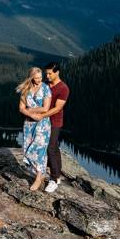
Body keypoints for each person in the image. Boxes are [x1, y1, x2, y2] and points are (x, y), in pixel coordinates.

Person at [15, 66, 53, 192]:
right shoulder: (26, 89)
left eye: (40, 77)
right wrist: (31, 114)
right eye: (36, 78)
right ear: (31, 78)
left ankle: (38, 177)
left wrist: (29, 109)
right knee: (27, 150)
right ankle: (40, 173)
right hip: (29, 124)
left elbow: (45, 108)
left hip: (43, 124)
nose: (39, 80)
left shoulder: (46, 88)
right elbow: (21, 108)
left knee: (38, 151)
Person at [43, 61, 69, 193]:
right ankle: (57, 175)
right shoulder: (46, 85)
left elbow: (57, 108)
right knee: (55, 148)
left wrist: (41, 116)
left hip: (54, 122)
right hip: (44, 122)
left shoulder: (63, 88)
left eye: (49, 73)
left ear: (57, 72)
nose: (47, 76)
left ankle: (53, 179)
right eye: (46, 73)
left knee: (50, 148)